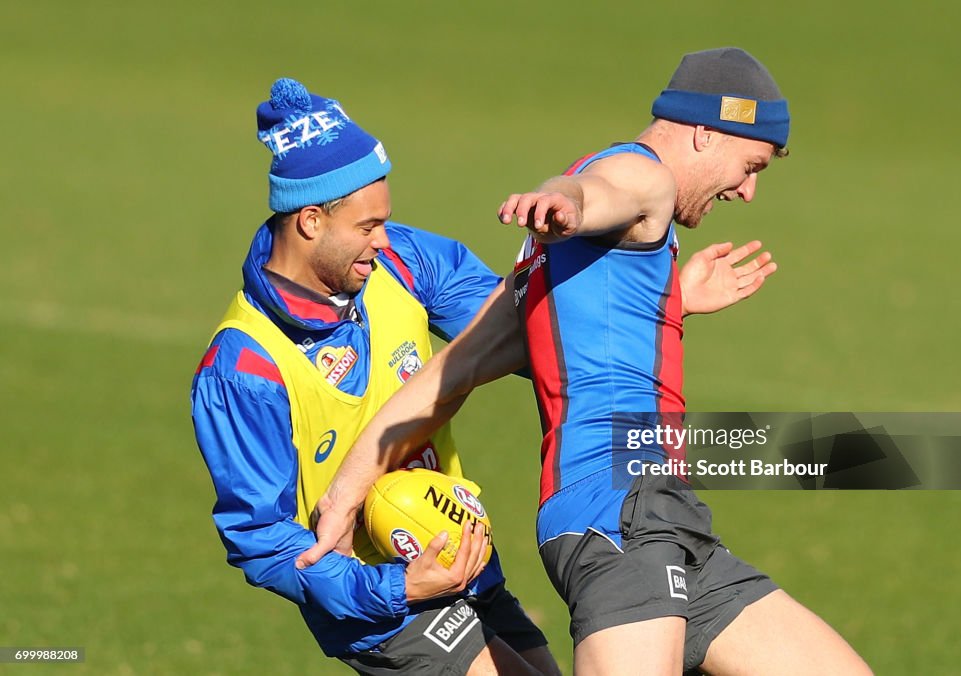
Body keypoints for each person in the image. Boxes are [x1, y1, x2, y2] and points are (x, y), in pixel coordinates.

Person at [299, 49, 874, 675]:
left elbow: (452, 371)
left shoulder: (554, 265)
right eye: (750, 164)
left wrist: (345, 496)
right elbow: (598, 191)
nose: (748, 189)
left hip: (668, 518)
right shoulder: (642, 175)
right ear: (707, 132)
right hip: (619, 517)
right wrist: (563, 203)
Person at [190, 77, 559, 676]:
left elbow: (523, 333)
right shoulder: (243, 369)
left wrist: (658, 296)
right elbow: (262, 539)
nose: (382, 240)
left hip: (459, 550)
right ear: (310, 220)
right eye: (366, 227)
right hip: (376, 605)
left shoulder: (401, 260)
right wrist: (398, 589)